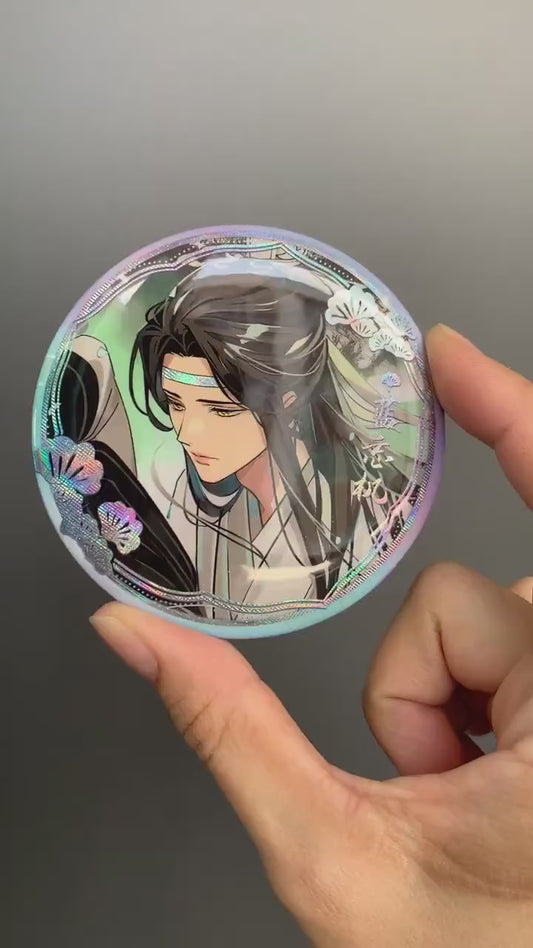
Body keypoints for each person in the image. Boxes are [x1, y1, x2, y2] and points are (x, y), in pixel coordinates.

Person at [90, 323, 533, 945]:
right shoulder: (208, 513)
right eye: (176, 405)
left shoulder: (348, 518)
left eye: (218, 408)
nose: (189, 432)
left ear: (288, 401)